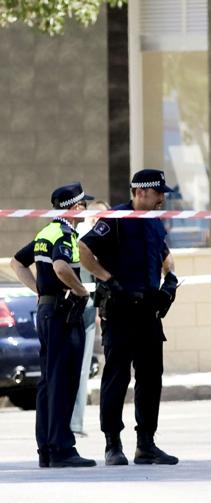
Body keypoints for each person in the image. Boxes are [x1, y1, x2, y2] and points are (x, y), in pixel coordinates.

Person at [78, 169, 181, 466]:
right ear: (140, 192)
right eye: (158, 192)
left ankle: (146, 444)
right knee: (117, 377)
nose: (162, 198)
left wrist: (170, 280)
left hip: (148, 310)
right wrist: (107, 278)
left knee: (150, 378)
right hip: (121, 310)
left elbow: (164, 254)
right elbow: (84, 249)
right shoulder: (115, 218)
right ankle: (113, 444)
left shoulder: (154, 222)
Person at [9, 183, 97, 468]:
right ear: (74, 208)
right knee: (64, 380)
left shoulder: (44, 232)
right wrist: (81, 290)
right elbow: (61, 267)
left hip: (47, 309)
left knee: (49, 382)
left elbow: (16, 262)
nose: (85, 209)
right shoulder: (63, 234)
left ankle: (47, 448)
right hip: (62, 313)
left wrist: (39, 290)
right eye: (83, 205)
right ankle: (62, 448)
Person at [71, 200, 110, 437]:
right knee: (81, 367)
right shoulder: (90, 237)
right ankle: (74, 423)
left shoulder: (70, 232)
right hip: (83, 306)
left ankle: (65, 422)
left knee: (65, 367)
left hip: (66, 307)